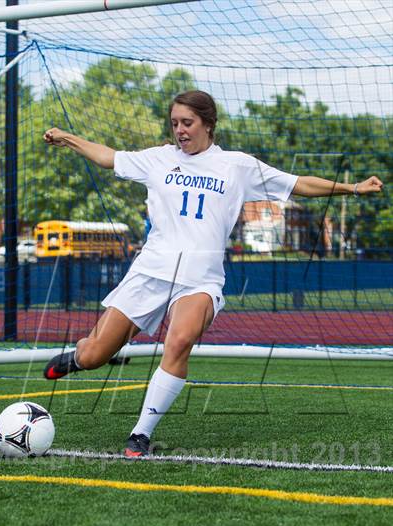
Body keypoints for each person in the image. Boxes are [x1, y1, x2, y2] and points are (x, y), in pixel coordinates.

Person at [42, 90, 382, 457]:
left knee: (179, 341)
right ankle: (78, 359)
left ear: (208, 124)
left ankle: (140, 435)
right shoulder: (158, 159)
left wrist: (353, 189)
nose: (179, 131)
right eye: (174, 123)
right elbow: (110, 158)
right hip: (149, 274)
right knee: (95, 355)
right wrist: (68, 139)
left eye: (187, 123)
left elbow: (297, 183)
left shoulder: (237, 166)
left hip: (200, 281)